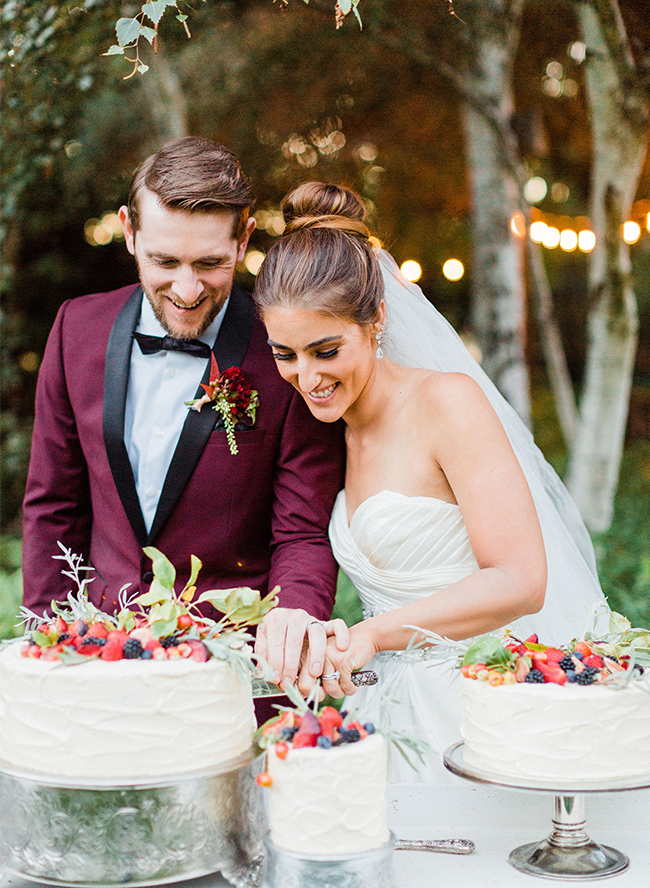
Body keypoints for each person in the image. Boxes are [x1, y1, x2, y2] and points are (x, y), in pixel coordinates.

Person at [253, 181, 609, 780]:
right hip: (383, 713)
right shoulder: (327, 431)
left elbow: (522, 580)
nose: (305, 376)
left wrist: (373, 634)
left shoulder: (447, 403)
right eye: (285, 354)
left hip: (478, 711)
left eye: (325, 349)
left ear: (378, 318)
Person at [22, 139, 346, 705]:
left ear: (244, 239)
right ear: (129, 232)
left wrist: (293, 616)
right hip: (95, 660)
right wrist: (49, 647)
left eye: (211, 264)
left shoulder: (287, 355)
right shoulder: (76, 329)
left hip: (235, 674)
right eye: (165, 262)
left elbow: (301, 531)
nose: (188, 290)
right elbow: (54, 505)